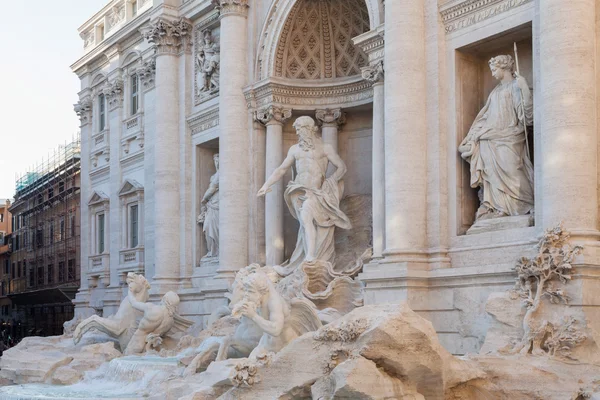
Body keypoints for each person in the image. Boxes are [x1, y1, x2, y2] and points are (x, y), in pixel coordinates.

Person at [258, 116, 351, 276]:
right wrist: (266, 185)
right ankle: (304, 259)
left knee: (307, 216)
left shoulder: (325, 148)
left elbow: (341, 167)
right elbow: (281, 169)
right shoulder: (294, 149)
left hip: (315, 192)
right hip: (297, 190)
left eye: (300, 128)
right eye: (297, 129)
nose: (298, 132)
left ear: (309, 128)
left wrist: (330, 183)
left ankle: (310, 256)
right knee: (304, 223)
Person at [458, 55, 534, 221]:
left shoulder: (516, 86)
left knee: (512, 169)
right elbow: (485, 117)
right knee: (491, 173)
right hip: (490, 138)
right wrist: (472, 136)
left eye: (494, 70)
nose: (492, 74)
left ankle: (524, 204)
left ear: (504, 68)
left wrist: (525, 90)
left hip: (510, 136)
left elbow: (527, 116)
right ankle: (498, 207)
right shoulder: (495, 92)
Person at [198, 153, 219, 259]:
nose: (216, 163)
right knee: (208, 227)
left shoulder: (220, 174)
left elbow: (212, 188)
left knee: (214, 227)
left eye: (218, 160)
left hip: (216, 204)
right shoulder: (214, 176)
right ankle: (212, 250)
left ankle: (216, 251)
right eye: (215, 160)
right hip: (212, 205)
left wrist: (204, 199)